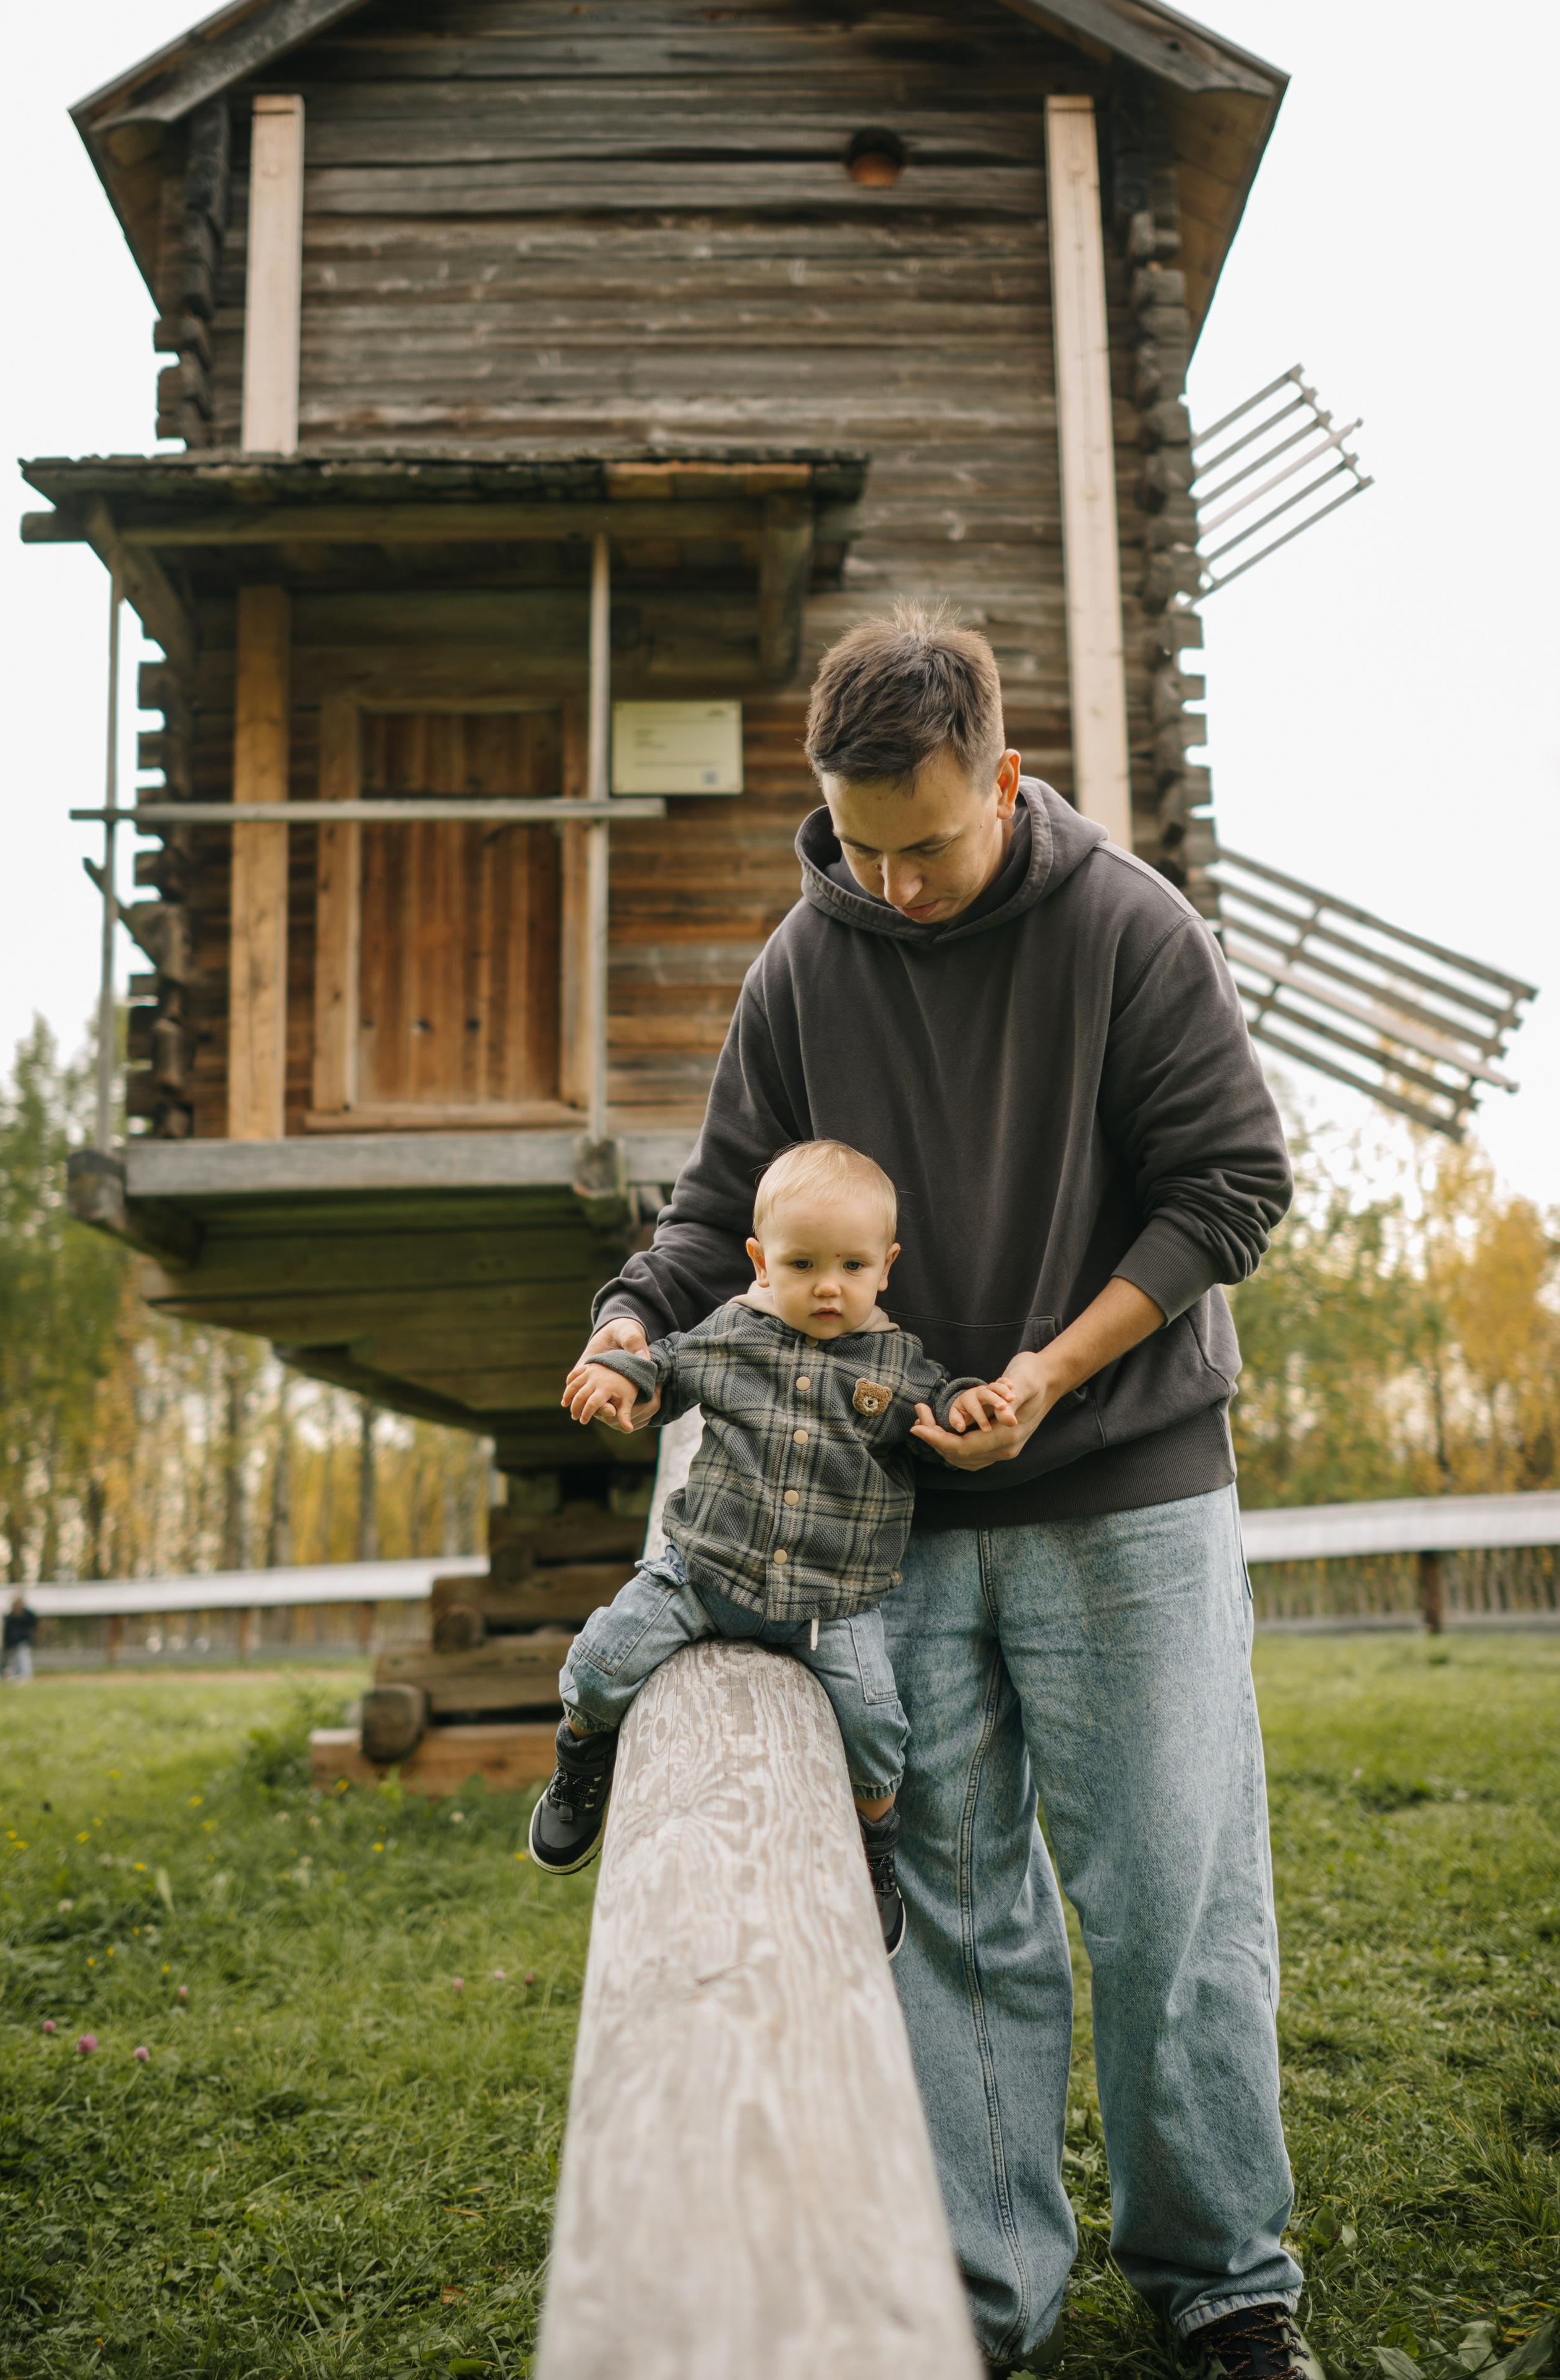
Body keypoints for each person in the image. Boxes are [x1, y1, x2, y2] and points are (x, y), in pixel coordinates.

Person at [575, 606, 1314, 2380]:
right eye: (856, 843)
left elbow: (1230, 1191)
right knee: (954, 1916)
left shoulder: (1132, 928)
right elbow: (714, 1218)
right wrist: (626, 1318)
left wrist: (1050, 1374)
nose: (888, 881)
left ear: (1001, 772)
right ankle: (983, 2300)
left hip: (1126, 1495)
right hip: (888, 1535)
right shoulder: (802, 963)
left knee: (1170, 1905)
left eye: (924, 842)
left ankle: (1225, 2286)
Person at [531, 1139, 1011, 1954]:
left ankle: (874, 1849)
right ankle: (581, 1758)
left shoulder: (896, 1364)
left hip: (831, 1601)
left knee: (875, 1727)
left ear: (886, 1267)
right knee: (602, 1660)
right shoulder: (731, 1333)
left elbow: (945, 1397)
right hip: (703, 1569)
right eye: (803, 1264)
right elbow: (665, 1367)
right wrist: (621, 1375)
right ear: (760, 1259)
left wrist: (971, 1406)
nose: (830, 1286)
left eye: (853, 1267)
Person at [1, 1593, 37, 1683]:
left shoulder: (26, 1615)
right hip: (13, 1640)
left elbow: (32, 1624)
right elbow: (8, 1629)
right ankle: (18, 1675)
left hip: (23, 1639)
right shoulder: (11, 1616)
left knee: (23, 1657)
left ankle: (25, 1675)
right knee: (15, 1659)